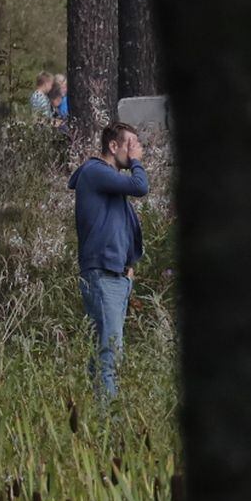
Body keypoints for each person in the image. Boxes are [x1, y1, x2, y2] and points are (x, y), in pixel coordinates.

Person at [68, 122, 149, 400]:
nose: (135, 150)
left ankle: (95, 421)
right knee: (110, 356)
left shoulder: (107, 182)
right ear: (113, 146)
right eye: (130, 144)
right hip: (103, 275)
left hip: (115, 276)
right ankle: (108, 430)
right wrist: (137, 162)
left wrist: (128, 268)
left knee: (103, 353)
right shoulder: (95, 172)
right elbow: (141, 186)